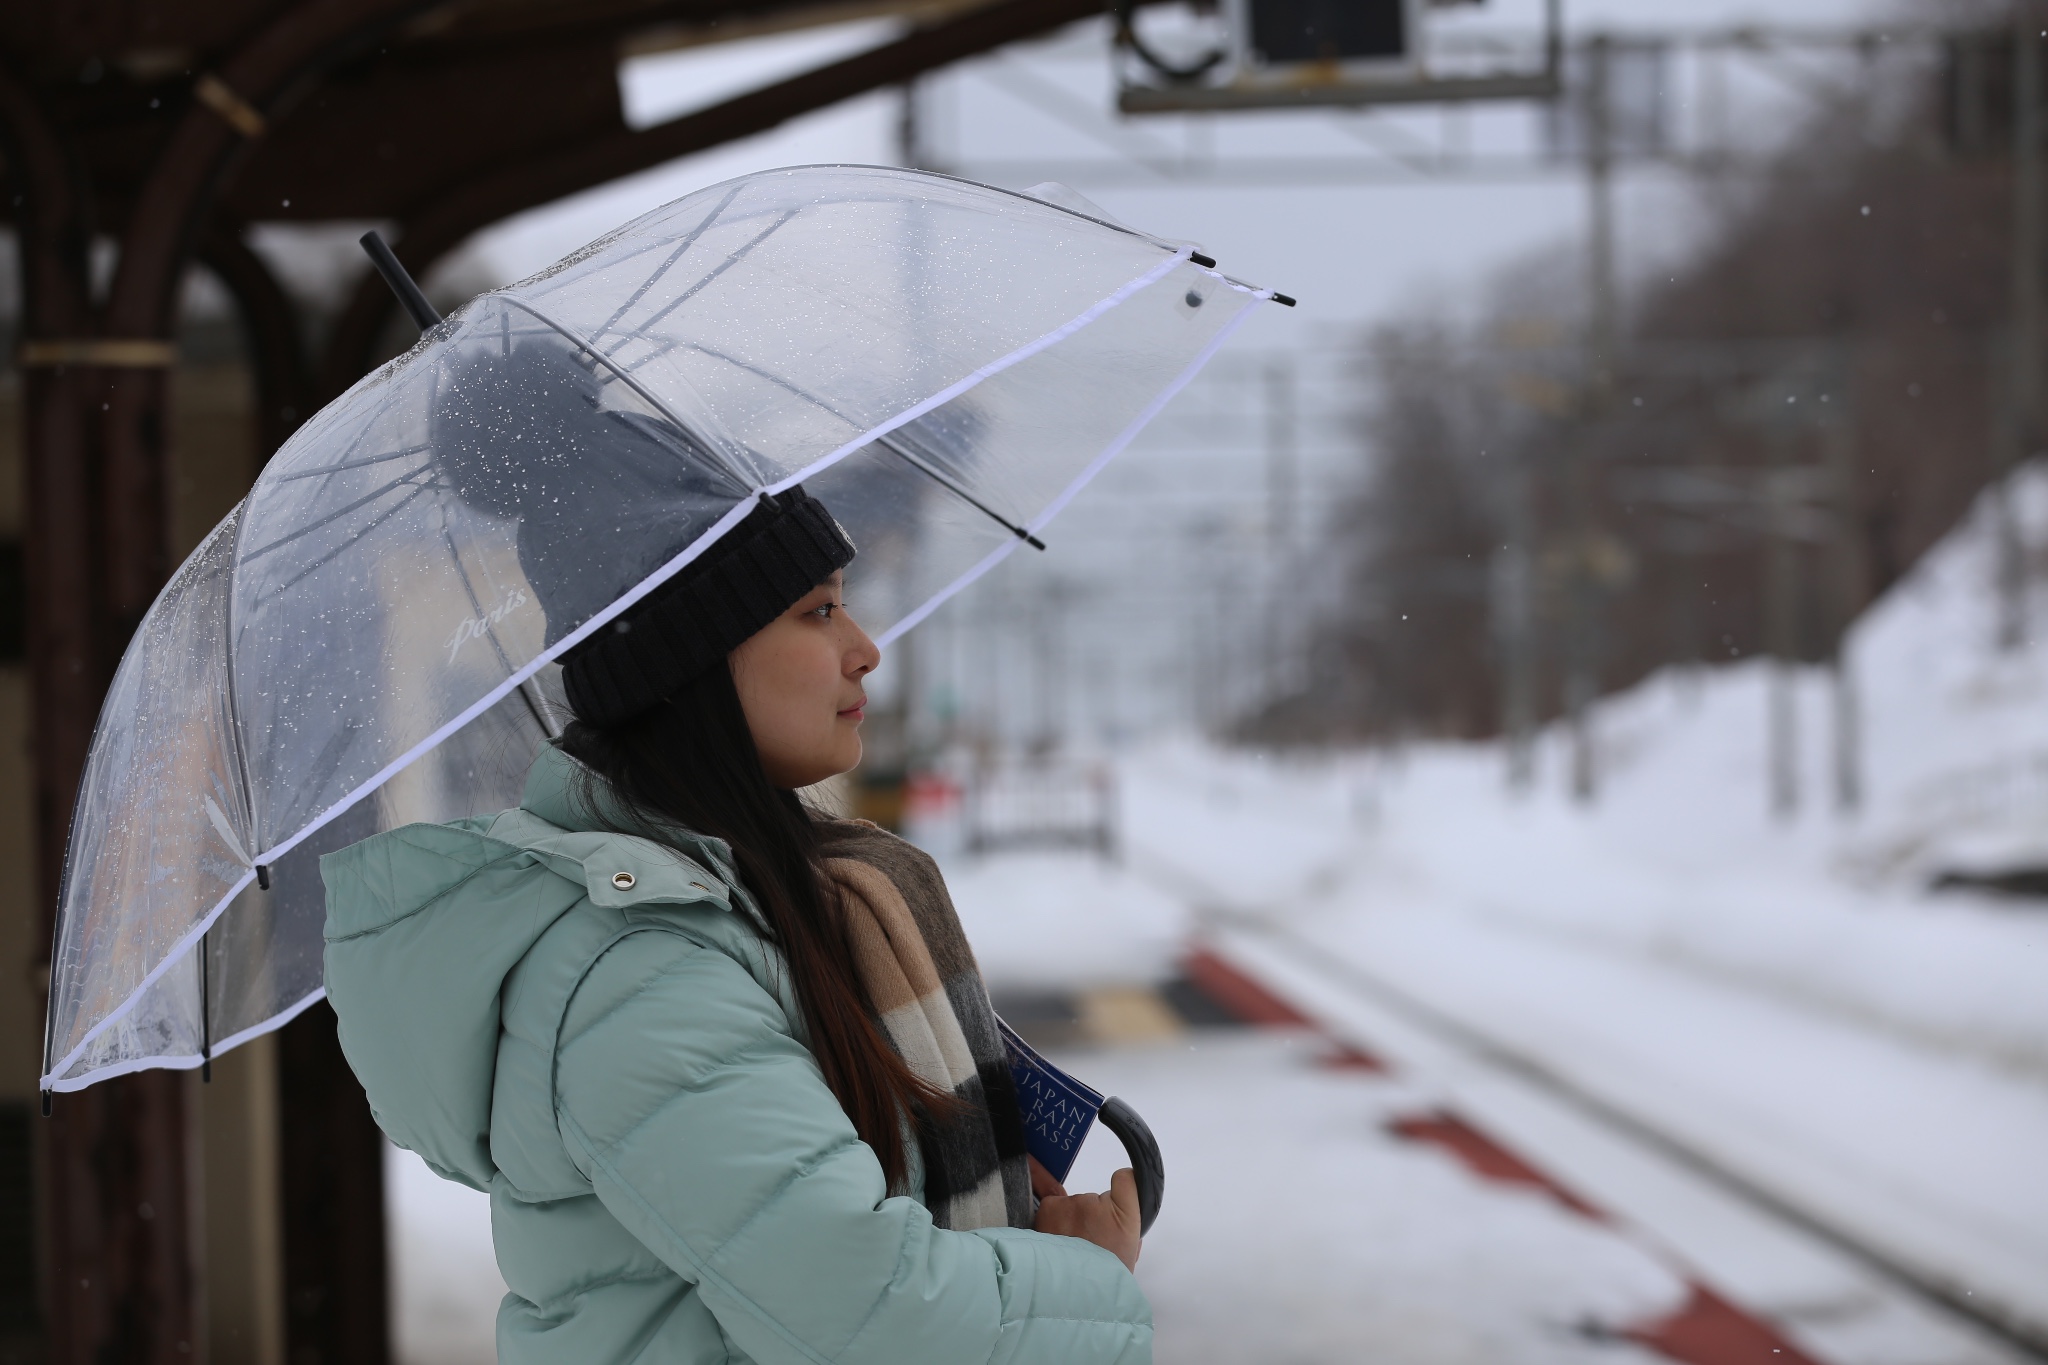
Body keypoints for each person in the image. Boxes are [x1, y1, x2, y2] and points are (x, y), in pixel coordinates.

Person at [322, 484, 1150, 1364]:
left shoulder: (734, 910)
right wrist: (1081, 1278)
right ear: (697, 660)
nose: (864, 650)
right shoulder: (638, 973)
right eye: (818, 610)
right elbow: (871, 1316)